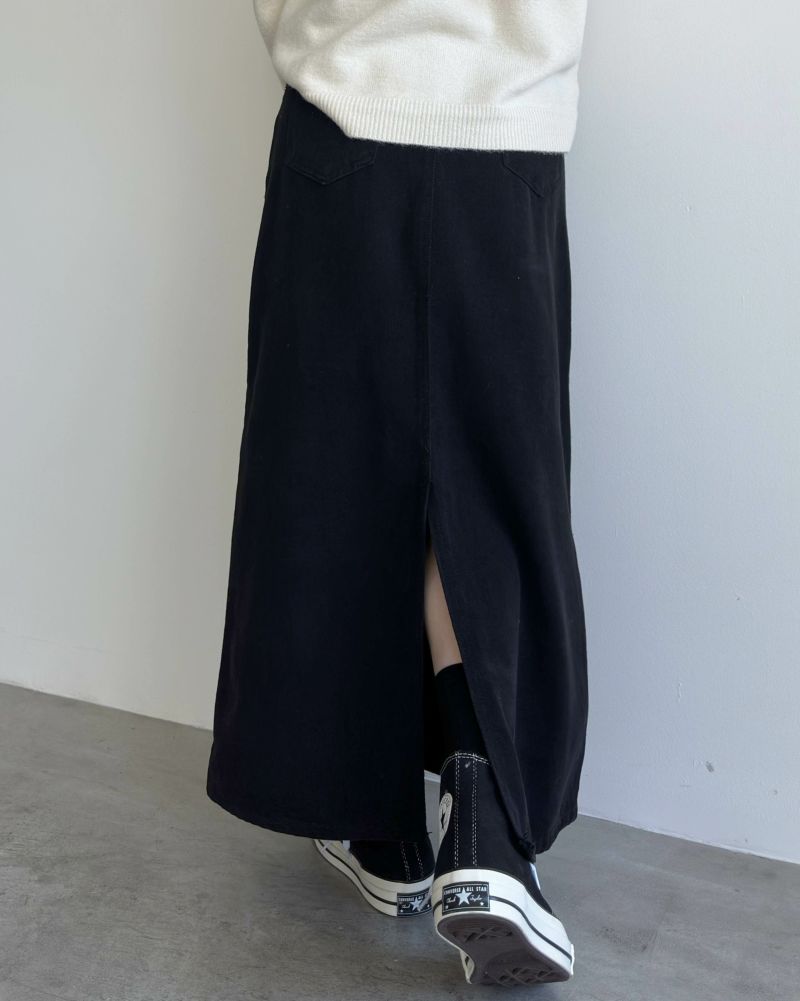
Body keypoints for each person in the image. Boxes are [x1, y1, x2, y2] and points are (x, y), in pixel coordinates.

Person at [207, 0, 590, 987]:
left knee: (342, 477)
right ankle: (486, 820)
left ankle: (380, 829)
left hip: (346, 120)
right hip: (504, 139)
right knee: (480, 482)